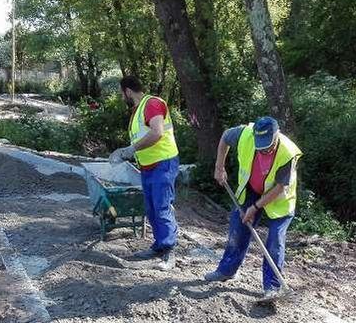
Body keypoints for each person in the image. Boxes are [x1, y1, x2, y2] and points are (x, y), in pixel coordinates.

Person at [204, 117, 302, 299]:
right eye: (261, 146)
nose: (264, 150)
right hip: (251, 190)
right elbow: (225, 137)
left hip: (279, 198)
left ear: (277, 135)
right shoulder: (244, 134)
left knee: (275, 240)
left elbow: (280, 188)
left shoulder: (287, 152)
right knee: (238, 229)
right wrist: (219, 167)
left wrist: (255, 207)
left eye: (268, 145)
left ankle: (272, 287)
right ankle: (227, 270)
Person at [109, 76, 180, 268]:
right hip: (149, 167)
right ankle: (159, 246)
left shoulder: (152, 104)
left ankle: (168, 251)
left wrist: (130, 150)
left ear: (128, 91)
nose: (120, 95)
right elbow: (144, 137)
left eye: (121, 92)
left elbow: (157, 132)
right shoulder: (138, 110)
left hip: (163, 163)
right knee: (151, 208)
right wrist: (129, 153)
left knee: (162, 206)